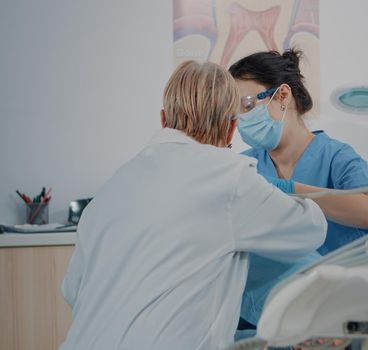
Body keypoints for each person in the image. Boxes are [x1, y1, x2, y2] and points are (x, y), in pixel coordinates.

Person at [60, 61, 327, 350]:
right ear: (231, 129)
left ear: (163, 120)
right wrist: (284, 189)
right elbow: (310, 229)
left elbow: (73, 290)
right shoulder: (230, 177)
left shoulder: (111, 188)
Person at [228, 49, 368, 331]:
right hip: (265, 316)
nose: (242, 120)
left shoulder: (338, 157)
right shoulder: (244, 166)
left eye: (248, 105)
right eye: (236, 112)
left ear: (283, 96)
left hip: (335, 313)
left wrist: (289, 188)